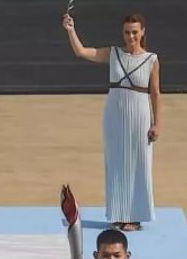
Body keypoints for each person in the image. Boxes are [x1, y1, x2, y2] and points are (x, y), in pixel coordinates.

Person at [62, 13, 162, 232]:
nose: (131, 36)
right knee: (116, 163)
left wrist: (157, 123)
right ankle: (118, 214)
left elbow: (155, 93)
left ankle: (136, 216)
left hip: (140, 115)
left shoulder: (151, 59)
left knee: (139, 163)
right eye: (127, 32)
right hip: (114, 115)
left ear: (143, 32)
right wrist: (71, 30)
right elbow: (82, 52)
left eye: (135, 32)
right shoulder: (114, 53)